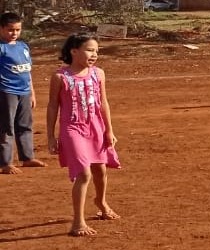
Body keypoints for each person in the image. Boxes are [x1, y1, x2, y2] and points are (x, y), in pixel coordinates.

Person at [47, 33, 121, 237]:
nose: (94, 54)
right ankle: (78, 221)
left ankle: (101, 201)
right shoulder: (60, 77)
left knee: (100, 170)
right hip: (72, 128)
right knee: (84, 173)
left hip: (95, 126)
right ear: (74, 51)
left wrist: (109, 129)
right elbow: (53, 106)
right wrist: (51, 136)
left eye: (96, 50)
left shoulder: (99, 74)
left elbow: (103, 102)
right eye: (90, 49)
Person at [0, 12, 45, 174]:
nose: (14, 33)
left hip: (24, 92)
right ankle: (5, 162)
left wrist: (32, 93)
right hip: (6, 92)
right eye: (10, 30)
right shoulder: (1, 48)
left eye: (18, 30)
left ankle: (27, 158)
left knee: (25, 125)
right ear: (1, 29)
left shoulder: (23, 46)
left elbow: (27, 72)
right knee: (7, 127)